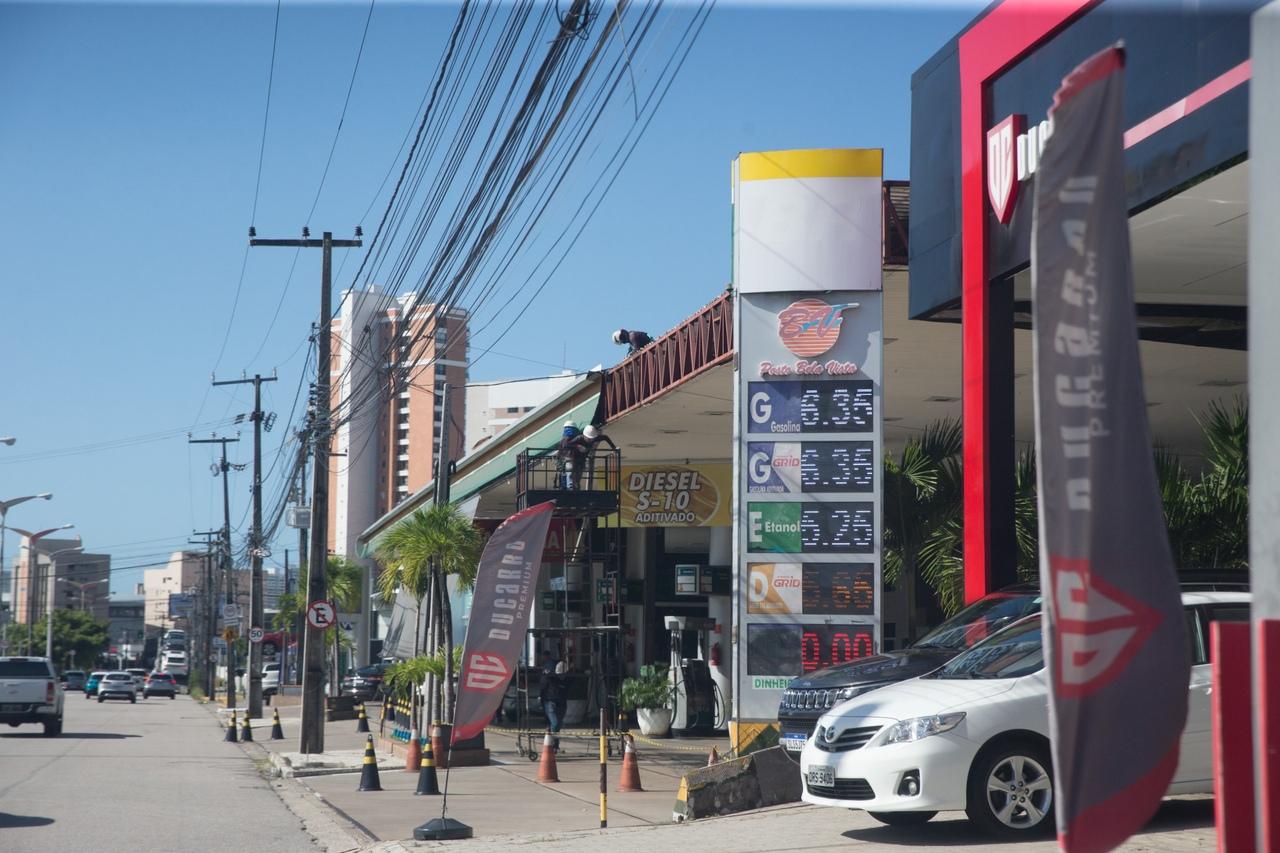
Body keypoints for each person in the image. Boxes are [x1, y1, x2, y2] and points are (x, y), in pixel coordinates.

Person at [539, 657, 569, 750]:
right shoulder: (548, 678)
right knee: (555, 723)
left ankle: (554, 744)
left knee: (558, 725)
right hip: (550, 702)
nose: (562, 677)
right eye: (561, 675)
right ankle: (552, 744)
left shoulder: (566, 679)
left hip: (561, 703)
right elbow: (543, 688)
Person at [556, 421, 589, 490]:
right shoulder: (576, 438)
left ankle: (569, 489)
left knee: (568, 476)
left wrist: (558, 460)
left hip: (567, 460)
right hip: (574, 459)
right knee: (574, 478)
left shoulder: (563, 439)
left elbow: (561, 450)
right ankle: (573, 489)